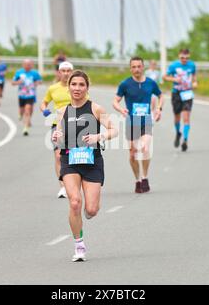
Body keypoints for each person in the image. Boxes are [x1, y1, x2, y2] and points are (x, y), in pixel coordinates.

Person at [52, 70, 118, 262]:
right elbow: (58, 136)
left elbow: (114, 129)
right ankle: (79, 245)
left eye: (81, 85)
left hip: (92, 161)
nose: (77, 88)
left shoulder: (96, 109)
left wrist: (99, 136)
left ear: (87, 88)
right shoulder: (62, 111)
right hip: (70, 160)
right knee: (74, 202)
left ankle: (87, 214)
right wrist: (56, 137)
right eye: (74, 84)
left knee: (91, 209)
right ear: (68, 87)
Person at [113, 57, 164, 194]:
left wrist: (158, 109)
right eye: (133, 67)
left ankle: (145, 177)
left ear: (143, 67)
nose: (136, 69)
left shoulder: (150, 83)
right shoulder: (125, 84)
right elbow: (115, 101)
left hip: (146, 119)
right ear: (130, 68)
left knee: (144, 147)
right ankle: (137, 180)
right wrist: (120, 109)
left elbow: (161, 96)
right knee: (132, 153)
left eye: (139, 66)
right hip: (132, 121)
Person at [40, 62, 74, 199]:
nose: (66, 73)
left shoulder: (77, 87)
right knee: (59, 156)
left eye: (68, 71)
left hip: (76, 125)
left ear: (72, 72)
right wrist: (44, 110)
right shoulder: (53, 88)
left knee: (73, 156)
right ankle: (63, 187)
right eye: (63, 71)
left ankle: (74, 183)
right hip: (58, 125)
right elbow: (43, 103)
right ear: (59, 73)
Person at [163, 49, 198, 152]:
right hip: (176, 93)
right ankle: (178, 133)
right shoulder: (174, 66)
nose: (184, 60)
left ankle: (185, 140)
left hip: (187, 93)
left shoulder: (192, 65)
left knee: (186, 118)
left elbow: (194, 76)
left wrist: (195, 82)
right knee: (177, 117)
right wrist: (174, 79)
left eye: (187, 58)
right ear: (179, 56)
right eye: (182, 58)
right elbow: (164, 77)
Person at [12, 59, 42, 136]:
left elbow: (40, 81)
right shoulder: (19, 72)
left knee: (28, 110)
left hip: (31, 94)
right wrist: (18, 82)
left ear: (31, 65)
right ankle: (22, 116)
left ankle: (25, 128)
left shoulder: (34, 73)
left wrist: (36, 83)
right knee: (22, 111)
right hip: (21, 95)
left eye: (29, 65)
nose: (27, 66)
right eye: (26, 64)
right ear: (23, 65)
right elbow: (12, 82)